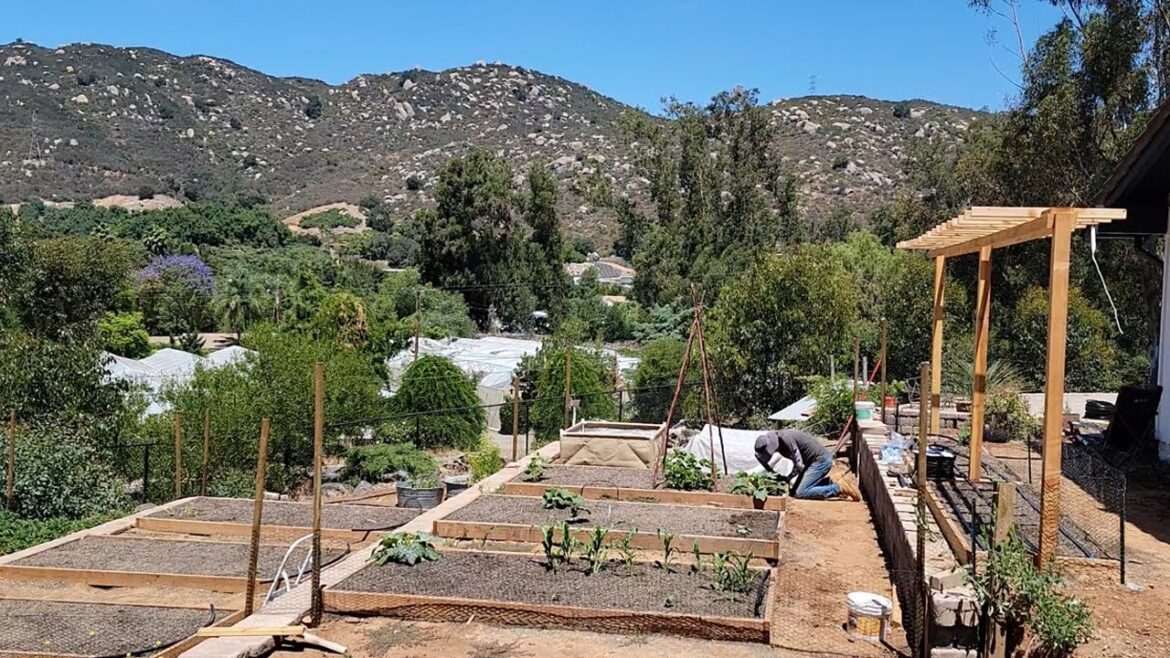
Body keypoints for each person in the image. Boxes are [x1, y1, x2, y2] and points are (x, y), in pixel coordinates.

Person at [754, 429, 860, 501]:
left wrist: (787, 478)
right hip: (812, 463)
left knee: (800, 493)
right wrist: (769, 470)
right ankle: (829, 482)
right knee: (793, 491)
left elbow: (799, 465)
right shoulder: (776, 440)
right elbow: (765, 463)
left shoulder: (786, 439)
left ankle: (838, 488)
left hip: (820, 461)